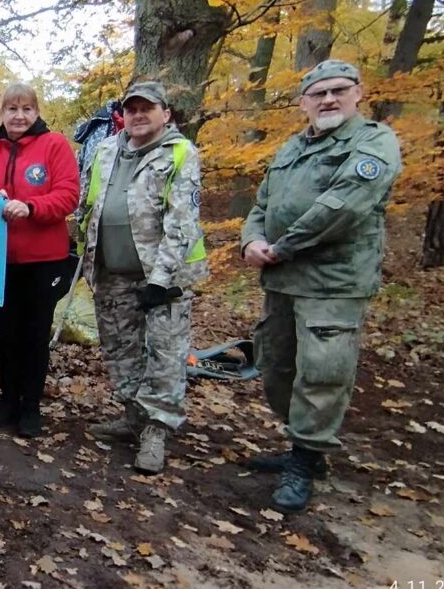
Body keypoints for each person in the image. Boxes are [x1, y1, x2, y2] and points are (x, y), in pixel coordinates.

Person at [240, 60, 401, 513]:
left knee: (322, 372)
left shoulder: (374, 142)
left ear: (358, 93)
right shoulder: (291, 149)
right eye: (319, 93)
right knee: (275, 366)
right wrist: (252, 240)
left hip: (333, 283)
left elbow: (343, 205)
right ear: (303, 102)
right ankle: (301, 447)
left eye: (339, 91)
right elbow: (262, 204)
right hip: (283, 278)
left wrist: (282, 246)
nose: (329, 99)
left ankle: (306, 459)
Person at [80, 81, 208, 475]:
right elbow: (89, 204)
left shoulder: (179, 153)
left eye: (147, 108)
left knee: (164, 354)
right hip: (112, 272)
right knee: (121, 350)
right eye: (132, 108)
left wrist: (162, 278)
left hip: (160, 276)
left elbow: (181, 222)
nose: (138, 115)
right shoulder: (104, 151)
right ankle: (133, 415)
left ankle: (156, 429)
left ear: (165, 114)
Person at [0, 84, 79, 438]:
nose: (19, 116)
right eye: (12, 109)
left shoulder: (54, 145)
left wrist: (31, 207)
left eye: (26, 109)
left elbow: (68, 194)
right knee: (5, 334)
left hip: (44, 260)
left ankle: (31, 406)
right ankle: (7, 400)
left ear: (37, 112)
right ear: (2, 114)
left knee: (35, 334)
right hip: (0, 261)